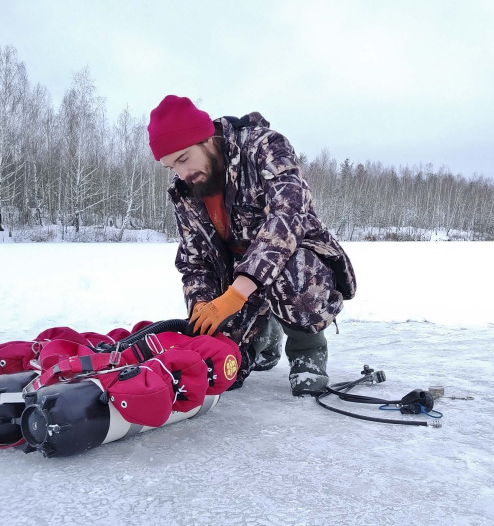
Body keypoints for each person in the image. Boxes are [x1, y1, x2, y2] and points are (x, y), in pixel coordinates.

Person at [147, 95, 356, 396]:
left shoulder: (265, 147)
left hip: (292, 264)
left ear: (207, 140)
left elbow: (289, 214)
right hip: (234, 281)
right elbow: (195, 261)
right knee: (227, 372)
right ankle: (264, 336)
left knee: (291, 266)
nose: (182, 174)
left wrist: (237, 293)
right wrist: (203, 306)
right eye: (172, 167)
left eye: (183, 159)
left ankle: (307, 351)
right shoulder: (185, 192)